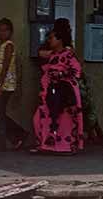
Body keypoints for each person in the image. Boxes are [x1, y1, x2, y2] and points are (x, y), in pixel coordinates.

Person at [31, 19, 84, 154]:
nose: (49, 41)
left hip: (63, 91)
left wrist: (60, 74)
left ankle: (64, 146)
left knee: (63, 120)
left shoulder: (68, 54)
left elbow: (77, 71)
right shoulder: (53, 54)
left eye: (52, 38)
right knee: (43, 117)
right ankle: (47, 145)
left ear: (60, 39)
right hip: (49, 91)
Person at [0, 17, 25, 151]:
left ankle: (0, 144)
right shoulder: (2, 45)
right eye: (0, 30)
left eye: (5, 30)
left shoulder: (9, 45)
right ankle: (18, 135)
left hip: (4, 85)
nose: (2, 33)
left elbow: (5, 66)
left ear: (10, 32)